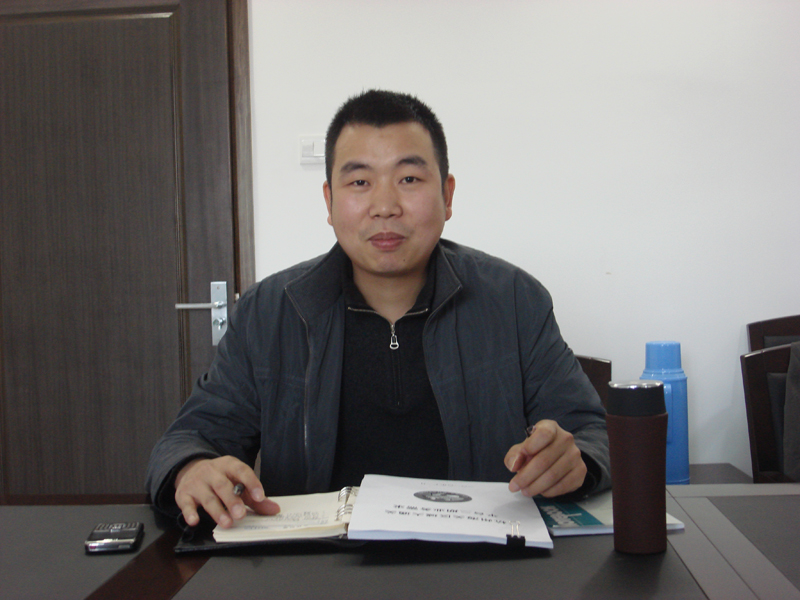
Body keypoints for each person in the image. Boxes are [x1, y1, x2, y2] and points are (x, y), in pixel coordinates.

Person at [146, 90, 611, 529]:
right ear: (329, 201)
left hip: (478, 562)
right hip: (314, 566)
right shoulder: (268, 313)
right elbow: (190, 439)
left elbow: (591, 432)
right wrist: (191, 468)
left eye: (409, 179)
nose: (385, 206)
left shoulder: (513, 300)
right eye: (360, 182)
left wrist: (576, 460)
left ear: (447, 195)